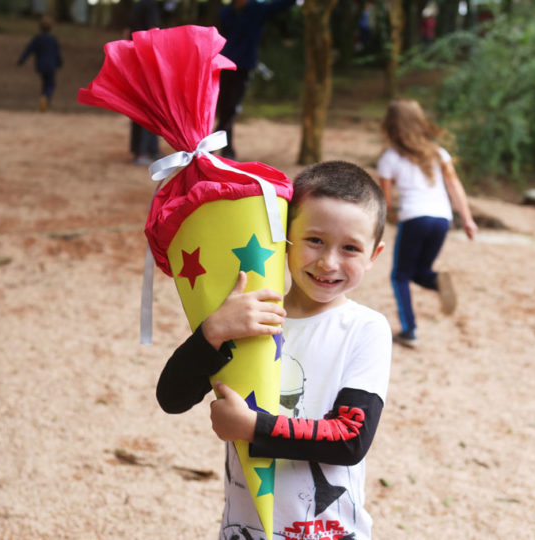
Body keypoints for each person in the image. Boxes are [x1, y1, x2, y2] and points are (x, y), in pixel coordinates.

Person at [157, 161, 392, 539]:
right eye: (314, 240)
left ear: (374, 255)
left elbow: (351, 439)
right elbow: (172, 397)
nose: (328, 261)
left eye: (350, 248)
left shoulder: (365, 329)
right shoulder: (249, 317)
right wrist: (213, 331)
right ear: (284, 236)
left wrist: (253, 428)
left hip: (330, 532)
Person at [377, 98, 478, 349]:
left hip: (414, 218)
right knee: (420, 271)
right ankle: (437, 282)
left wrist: (375, 228)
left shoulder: (389, 158)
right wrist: (467, 219)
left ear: (390, 125)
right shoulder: (438, 152)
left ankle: (410, 331)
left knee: (400, 275)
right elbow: (455, 187)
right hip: (442, 219)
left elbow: (385, 202)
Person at [215, 0, 296, 160]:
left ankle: (218, 145)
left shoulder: (257, 9)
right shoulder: (225, 12)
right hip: (223, 66)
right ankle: (226, 149)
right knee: (224, 109)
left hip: (244, 67)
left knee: (231, 108)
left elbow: (283, 4)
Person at [126, 0, 161, 165]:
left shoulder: (139, 5)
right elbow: (153, 34)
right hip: (146, 59)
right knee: (149, 106)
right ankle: (143, 151)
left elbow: (128, 32)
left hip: (137, 58)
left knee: (144, 106)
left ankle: (148, 148)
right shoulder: (149, 5)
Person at [17, 16, 63, 113]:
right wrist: (59, 63)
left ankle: (43, 101)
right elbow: (57, 53)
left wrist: (21, 60)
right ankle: (45, 98)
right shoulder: (53, 39)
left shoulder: (37, 39)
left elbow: (28, 50)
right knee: (50, 84)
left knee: (44, 83)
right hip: (51, 65)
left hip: (41, 65)